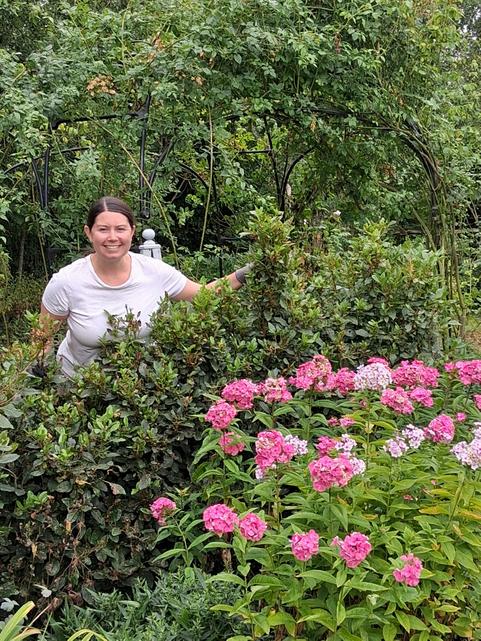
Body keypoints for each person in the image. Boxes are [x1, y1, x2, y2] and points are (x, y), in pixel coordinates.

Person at [40, 196, 251, 377]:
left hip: (140, 388)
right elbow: (41, 340)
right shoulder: (67, 282)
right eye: (103, 229)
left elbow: (204, 295)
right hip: (78, 387)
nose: (112, 237)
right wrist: (36, 376)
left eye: (120, 229)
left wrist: (248, 271)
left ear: (132, 231)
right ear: (89, 233)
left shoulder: (155, 272)